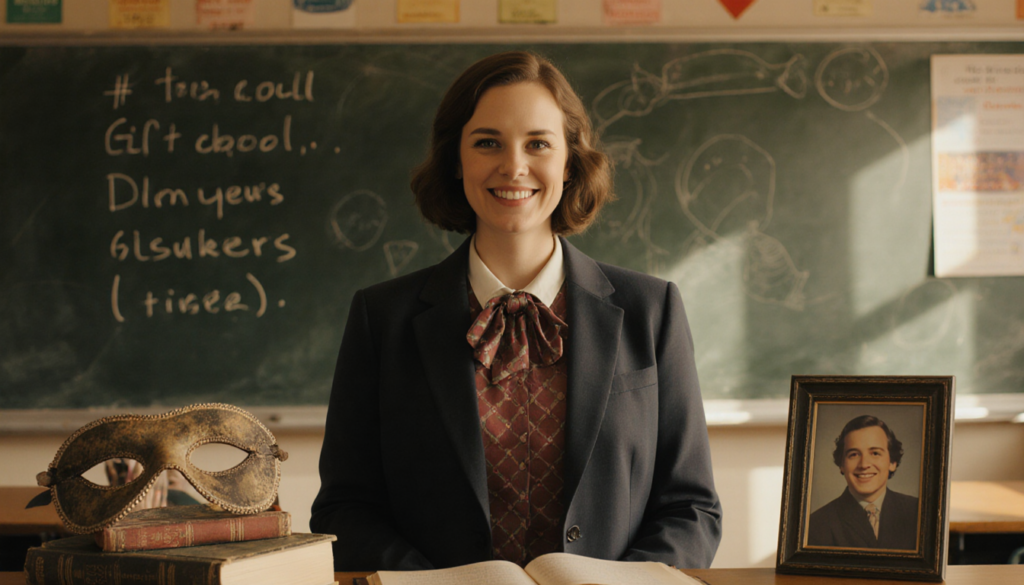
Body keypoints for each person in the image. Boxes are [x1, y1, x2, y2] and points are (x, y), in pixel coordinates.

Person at [310, 51, 722, 572]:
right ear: (455, 160)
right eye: (488, 142)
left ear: (569, 162)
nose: (513, 166)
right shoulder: (381, 318)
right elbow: (344, 510)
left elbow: (691, 509)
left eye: (538, 144)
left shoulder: (651, 309)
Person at [806, 415, 919, 550]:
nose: (864, 464)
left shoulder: (918, 512)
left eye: (875, 453)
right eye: (854, 454)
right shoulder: (816, 525)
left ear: (892, 462)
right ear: (842, 465)